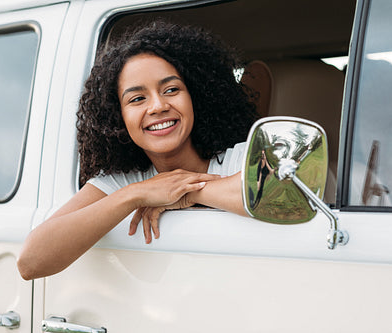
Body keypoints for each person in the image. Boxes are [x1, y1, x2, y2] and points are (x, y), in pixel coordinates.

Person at [17, 20, 257, 280]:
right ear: (117, 116)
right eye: (137, 99)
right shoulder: (123, 181)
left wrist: (186, 194)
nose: (157, 106)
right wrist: (136, 194)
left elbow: (282, 194)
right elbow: (31, 262)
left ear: (195, 96)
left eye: (171, 90)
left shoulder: (242, 157)